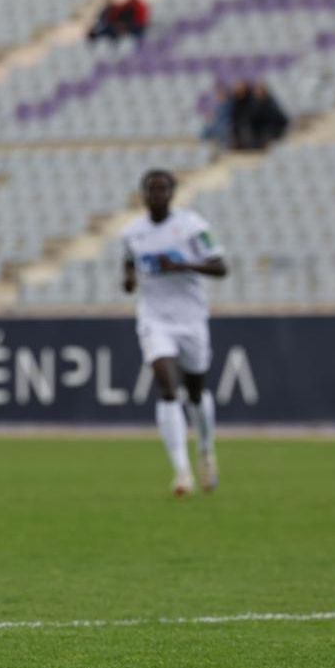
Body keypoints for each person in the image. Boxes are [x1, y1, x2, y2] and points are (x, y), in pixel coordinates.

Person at [121, 169, 227, 497]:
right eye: (151, 190)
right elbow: (128, 264)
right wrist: (128, 280)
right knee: (167, 388)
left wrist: (183, 265)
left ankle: (206, 451)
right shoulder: (132, 233)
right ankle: (181, 471)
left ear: (172, 193)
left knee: (195, 393)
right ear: (143, 194)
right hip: (155, 319)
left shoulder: (192, 226)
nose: (157, 195)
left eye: (163, 189)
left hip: (191, 319)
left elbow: (221, 267)